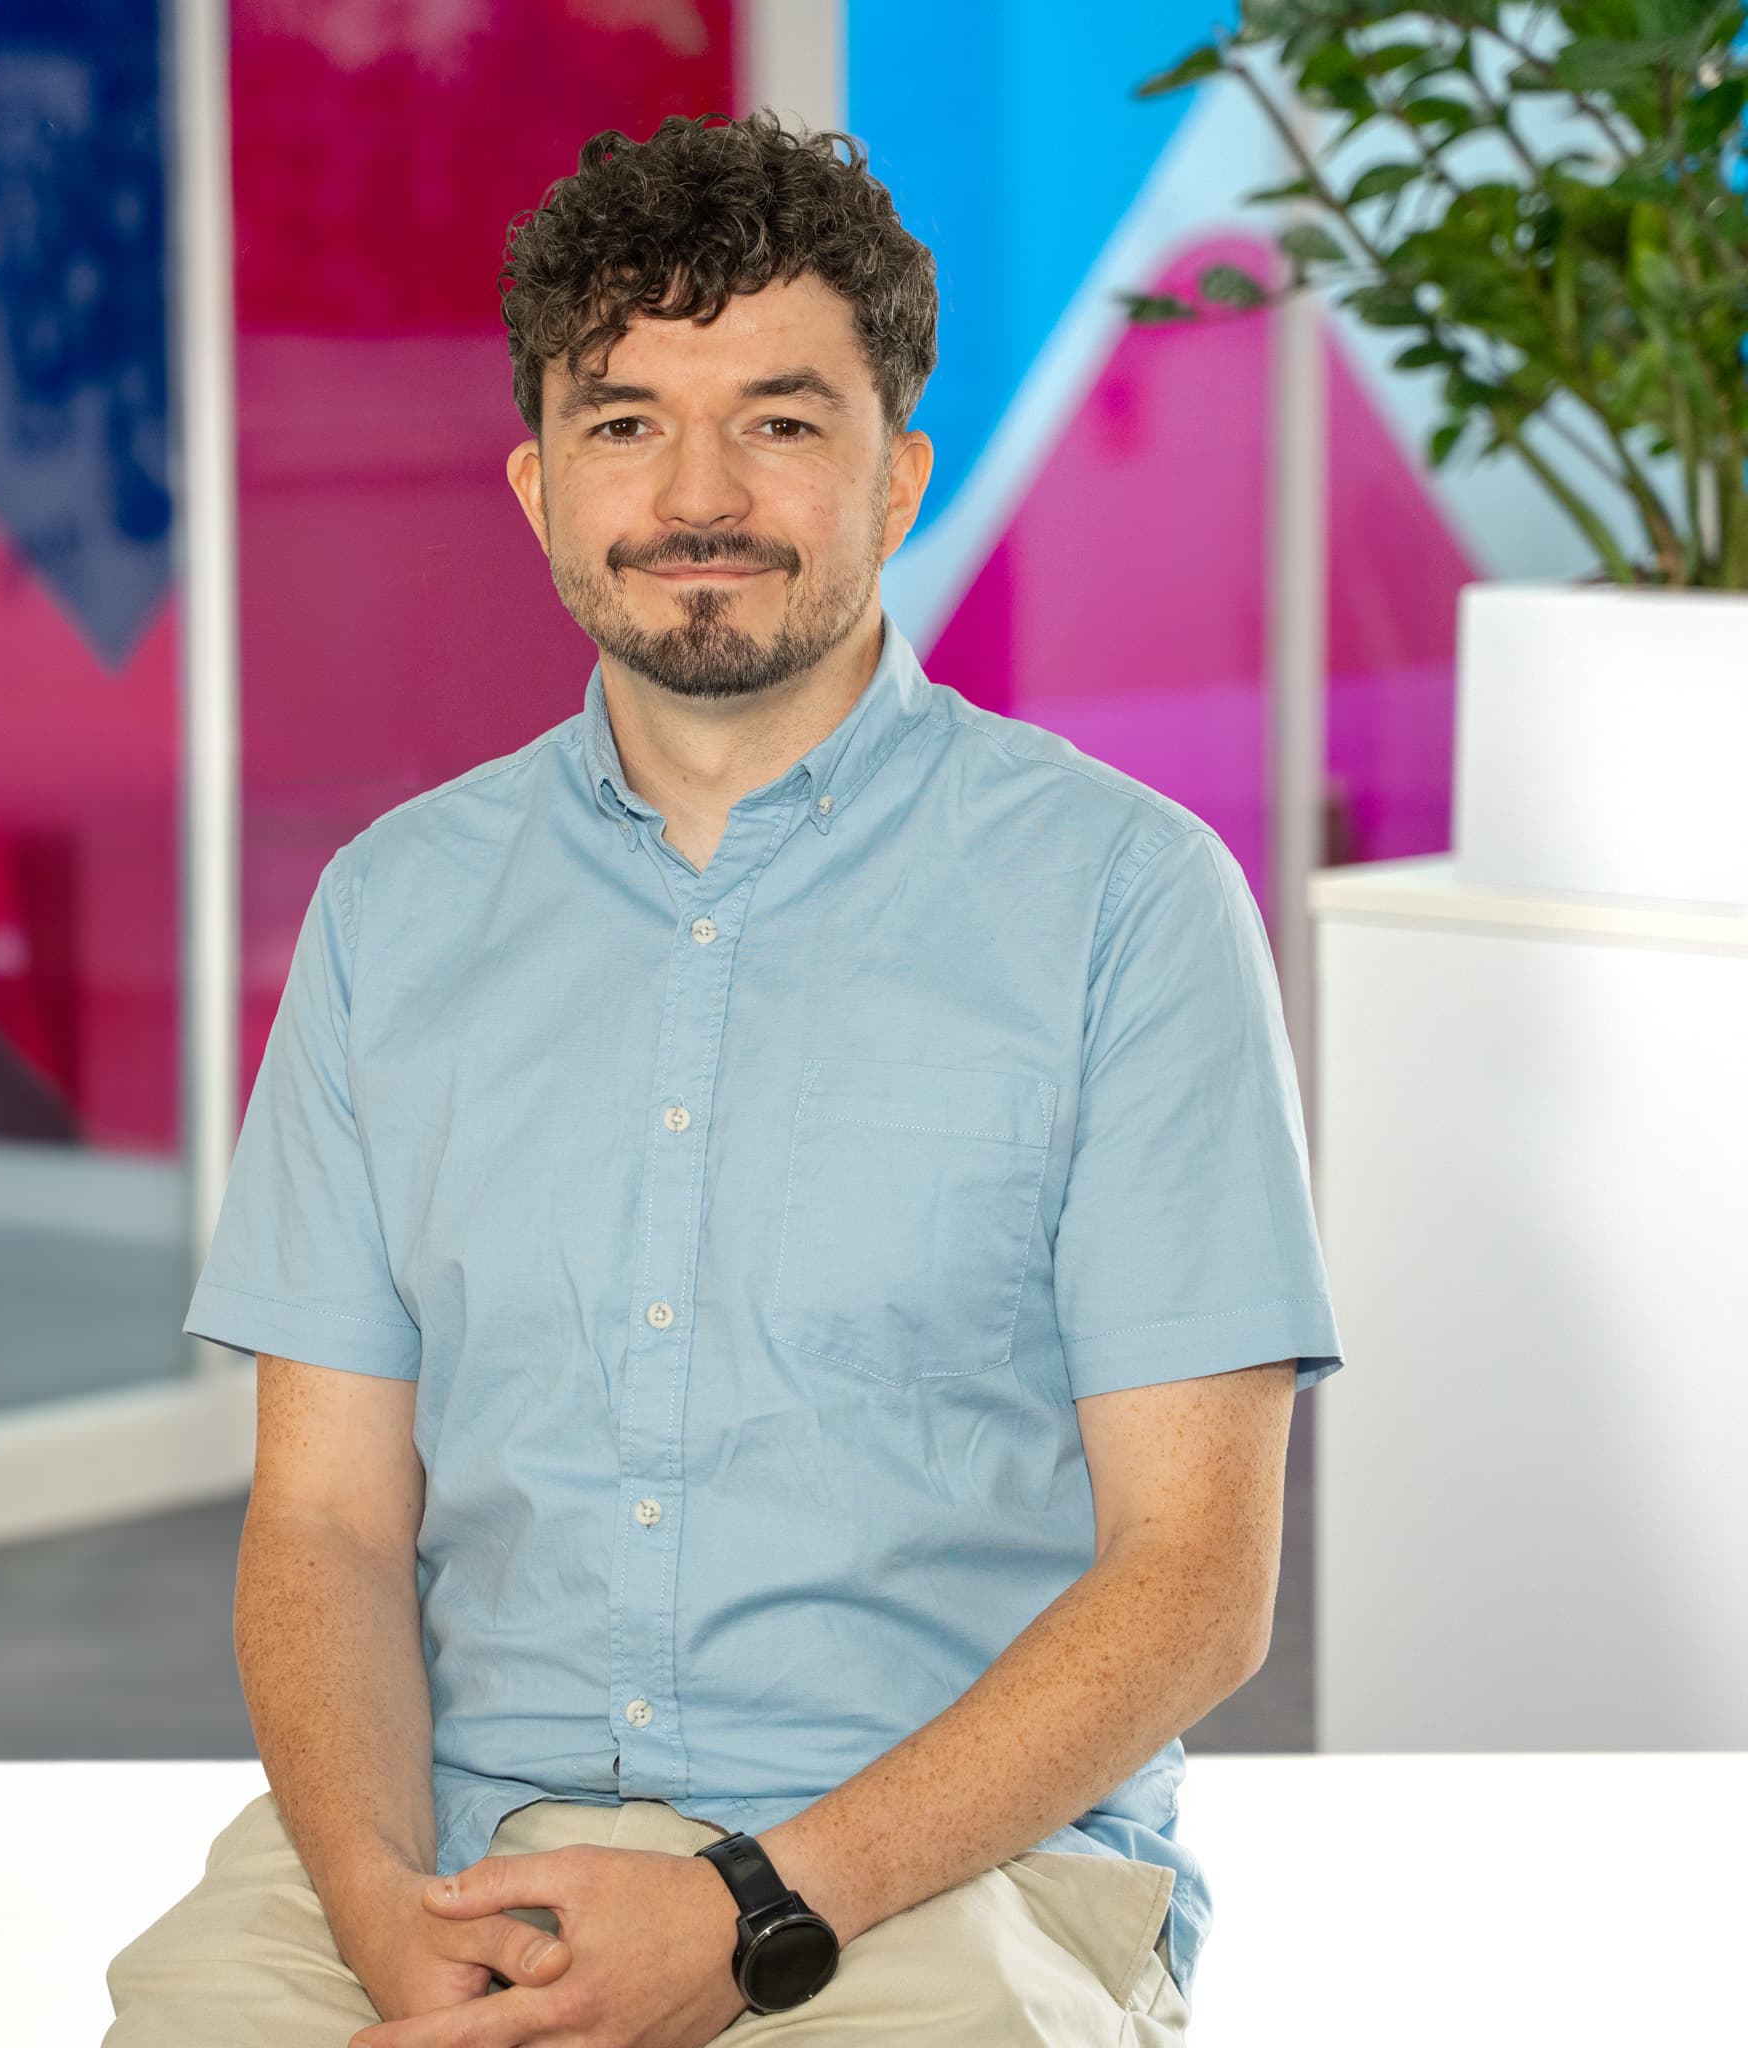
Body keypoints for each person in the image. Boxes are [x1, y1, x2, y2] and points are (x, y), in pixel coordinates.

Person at [103, 108, 1346, 2048]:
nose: (699, 489)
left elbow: (1195, 1580)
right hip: (451, 1850)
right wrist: (379, 1913)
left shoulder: (1126, 899)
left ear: (898, 470)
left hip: (944, 1867)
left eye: (778, 417)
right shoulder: (388, 915)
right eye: (624, 420)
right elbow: (327, 1523)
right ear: (534, 482)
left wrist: (751, 1907)